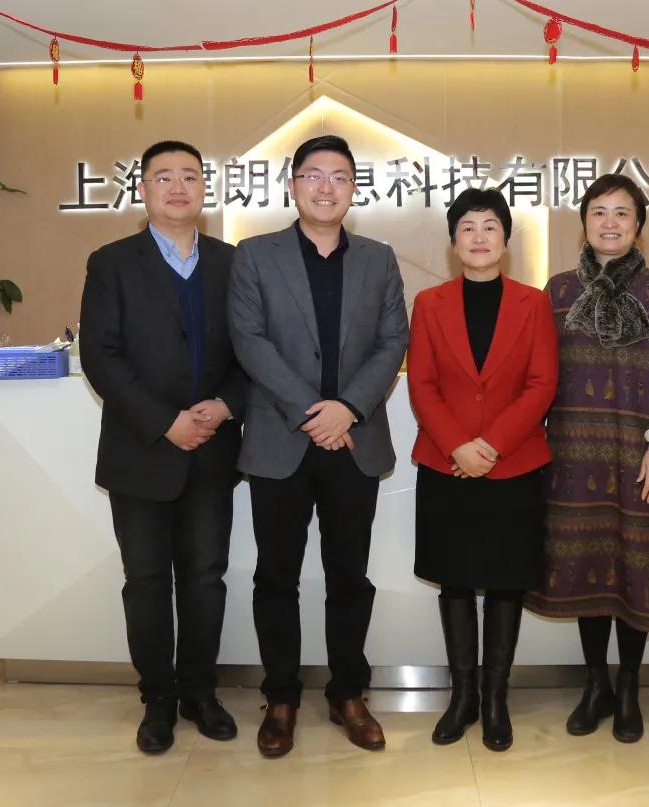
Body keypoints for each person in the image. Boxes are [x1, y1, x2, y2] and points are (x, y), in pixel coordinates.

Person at [228, 135, 409, 758]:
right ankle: (281, 697)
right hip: (281, 441)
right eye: (313, 175)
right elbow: (249, 340)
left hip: (354, 439)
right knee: (276, 576)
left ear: (354, 188)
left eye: (339, 176)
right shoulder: (255, 255)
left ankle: (347, 693)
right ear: (292, 184)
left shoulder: (379, 259)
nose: (325, 187)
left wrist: (348, 408)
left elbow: (393, 341)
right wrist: (314, 412)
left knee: (349, 576)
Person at [80, 140, 246, 754]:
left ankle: (201, 691)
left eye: (190, 176)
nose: (178, 187)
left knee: (205, 578)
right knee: (146, 581)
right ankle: (157, 699)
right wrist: (164, 421)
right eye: (164, 177)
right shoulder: (111, 262)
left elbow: (252, 350)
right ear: (142, 189)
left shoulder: (232, 263)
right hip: (141, 451)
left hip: (212, 448)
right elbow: (100, 355)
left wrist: (226, 404)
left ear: (205, 188)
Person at [525, 174, 649, 743]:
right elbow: (538, 373)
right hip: (572, 453)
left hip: (642, 458)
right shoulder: (558, 291)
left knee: (636, 570)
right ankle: (595, 683)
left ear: (638, 224)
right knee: (587, 568)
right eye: (599, 211)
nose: (610, 222)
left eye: (622, 212)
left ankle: (629, 688)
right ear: (584, 222)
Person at [407, 189, 558, 752]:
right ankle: (463, 697)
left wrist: (490, 445)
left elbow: (542, 383)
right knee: (454, 579)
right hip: (445, 464)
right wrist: (457, 446)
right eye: (467, 227)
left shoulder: (533, 303)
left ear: (505, 239)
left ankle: (495, 699)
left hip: (512, 463)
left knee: (505, 580)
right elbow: (422, 384)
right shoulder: (429, 303)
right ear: (453, 242)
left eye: (490, 226)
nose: (478, 237)